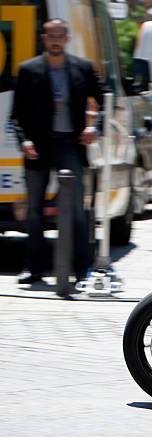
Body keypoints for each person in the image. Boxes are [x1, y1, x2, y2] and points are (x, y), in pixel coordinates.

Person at [11, 18, 106, 284]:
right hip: (38, 148)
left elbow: (105, 99)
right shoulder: (28, 70)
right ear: (43, 38)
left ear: (67, 39)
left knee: (76, 209)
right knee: (34, 210)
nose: (55, 39)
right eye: (51, 35)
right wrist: (24, 141)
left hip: (70, 145)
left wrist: (95, 127)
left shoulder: (82, 68)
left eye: (60, 35)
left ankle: (81, 268)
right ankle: (34, 269)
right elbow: (16, 116)